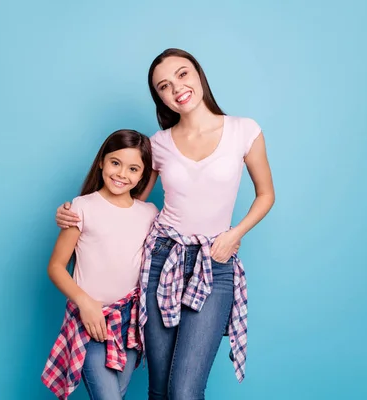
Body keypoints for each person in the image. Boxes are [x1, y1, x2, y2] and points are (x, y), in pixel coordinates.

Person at [54, 48, 275, 399]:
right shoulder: (159, 144)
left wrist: (236, 234)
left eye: (183, 75)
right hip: (161, 261)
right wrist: (75, 215)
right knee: (159, 388)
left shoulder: (243, 130)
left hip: (214, 264)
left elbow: (266, 195)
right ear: (160, 97)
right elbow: (127, 202)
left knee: (184, 390)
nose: (177, 88)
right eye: (164, 86)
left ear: (199, 74)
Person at [41, 129, 160, 400]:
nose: (121, 174)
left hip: (129, 322)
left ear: (143, 175)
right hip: (90, 320)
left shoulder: (149, 214)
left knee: (116, 394)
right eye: (115, 163)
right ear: (101, 162)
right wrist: (86, 303)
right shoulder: (81, 208)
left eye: (133, 169)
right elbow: (56, 266)